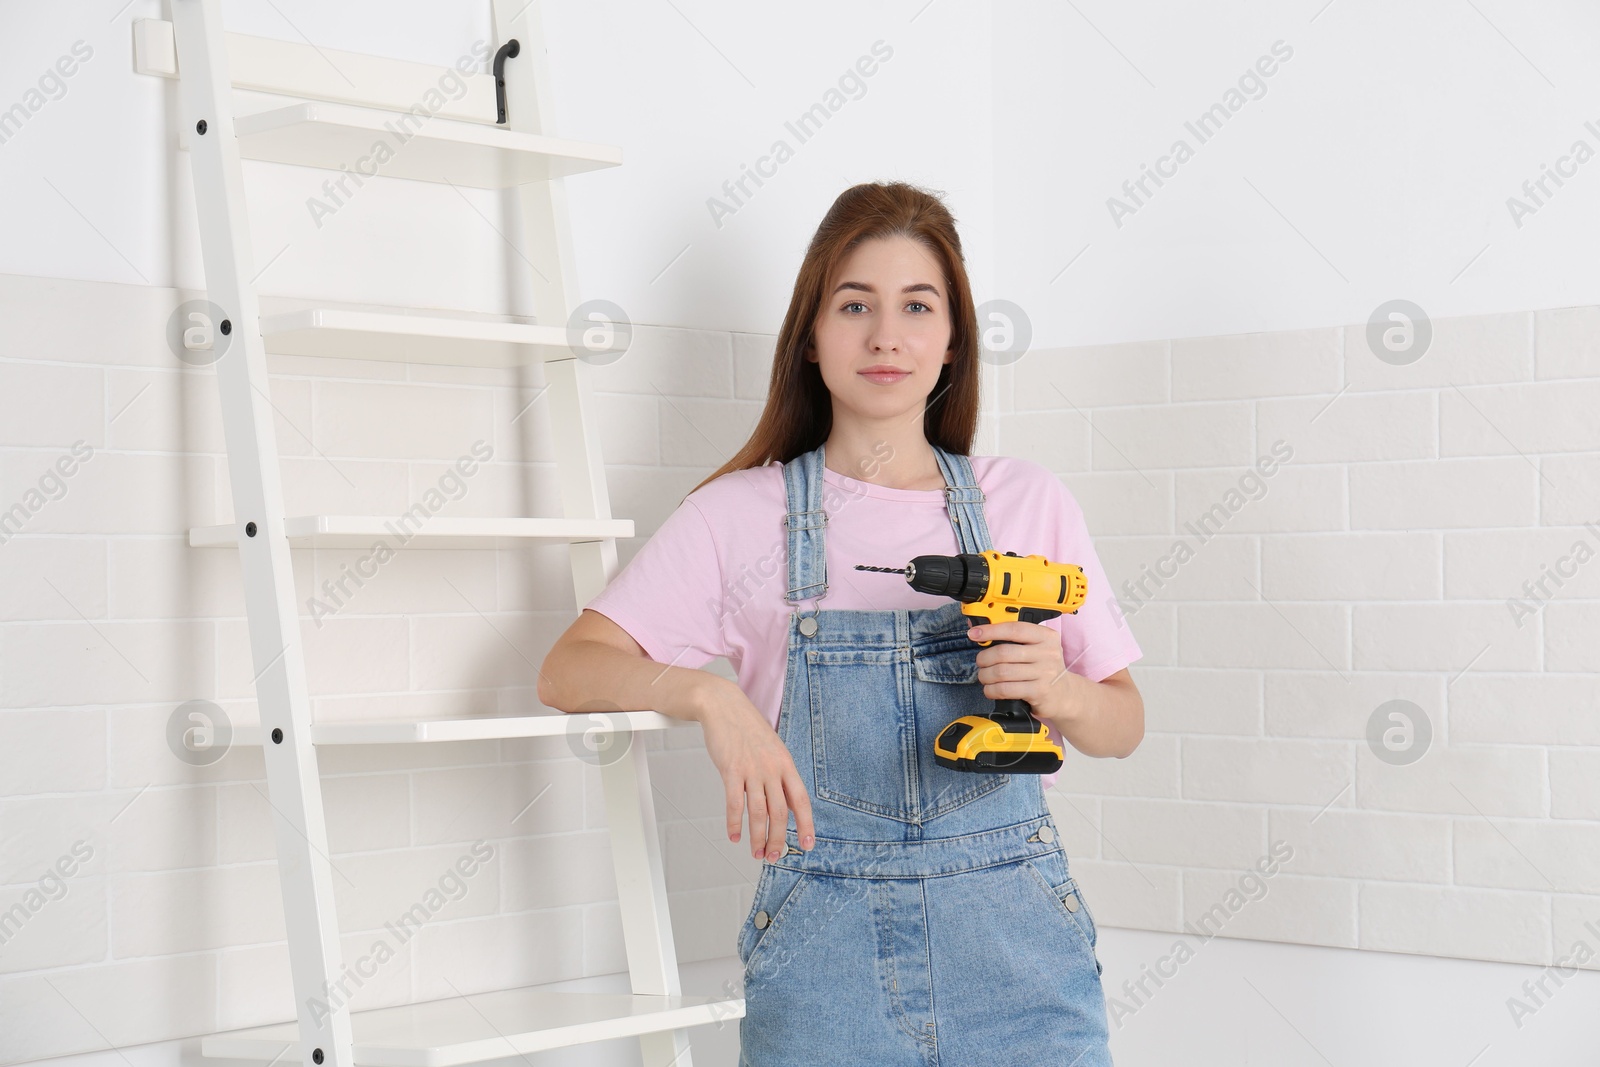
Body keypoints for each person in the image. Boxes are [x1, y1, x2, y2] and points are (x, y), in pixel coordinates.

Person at [538, 180, 1144, 1066]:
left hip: (1023, 967)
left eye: (917, 306)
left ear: (952, 342)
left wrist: (1061, 691)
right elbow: (569, 669)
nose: (886, 335)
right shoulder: (738, 517)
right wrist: (709, 694)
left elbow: (1125, 722)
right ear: (812, 337)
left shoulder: (1026, 502)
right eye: (854, 304)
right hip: (824, 970)